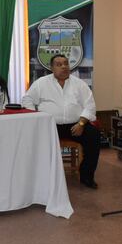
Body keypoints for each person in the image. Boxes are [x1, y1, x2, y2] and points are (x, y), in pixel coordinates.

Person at [22, 54, 100, 189]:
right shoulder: (41, 83)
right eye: (59, 64)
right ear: (52, 68)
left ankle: (87, 176)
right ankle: (42, 177)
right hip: (49, 126)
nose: (64, 67)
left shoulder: (79, 84)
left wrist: (81, 123)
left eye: (66, 63)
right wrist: (36, 118)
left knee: (93, 136)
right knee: (33, 140)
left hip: (76, 125)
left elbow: (90, 105)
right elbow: (27, 100)